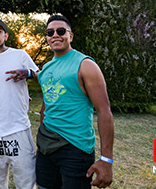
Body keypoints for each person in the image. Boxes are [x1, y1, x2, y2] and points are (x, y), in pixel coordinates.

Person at [36, 14, 114, 189]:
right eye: (50, 32)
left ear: (70, 36)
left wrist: (106, 160)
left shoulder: (85, 65)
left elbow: (104, 111)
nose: (55, 35)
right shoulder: (47, 68)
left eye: (61, 31)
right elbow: (47, 102)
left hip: (75, 149)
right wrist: (41, 144)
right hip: (46, 147)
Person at [0, 18, 39, 189]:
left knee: (26, 181)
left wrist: (27, 73)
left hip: (17, 129)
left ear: (6, 35)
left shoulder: (20, 54)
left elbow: (41, 77)